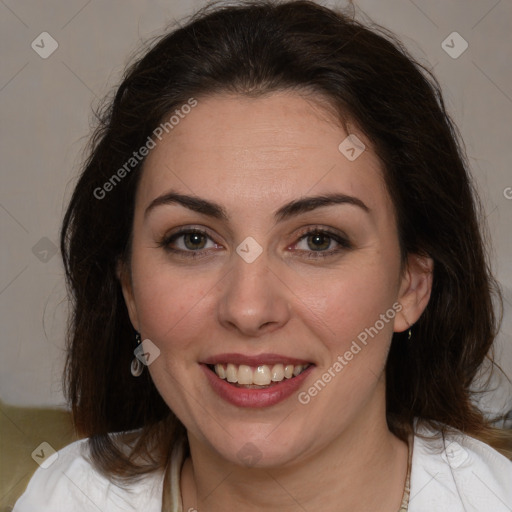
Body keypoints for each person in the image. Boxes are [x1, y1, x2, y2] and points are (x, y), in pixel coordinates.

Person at [14, 1, 512, 511]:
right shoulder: (65, 496)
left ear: (411, 284)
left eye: (319, 240)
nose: (249, 309)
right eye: (192, 239)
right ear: (130, 288)